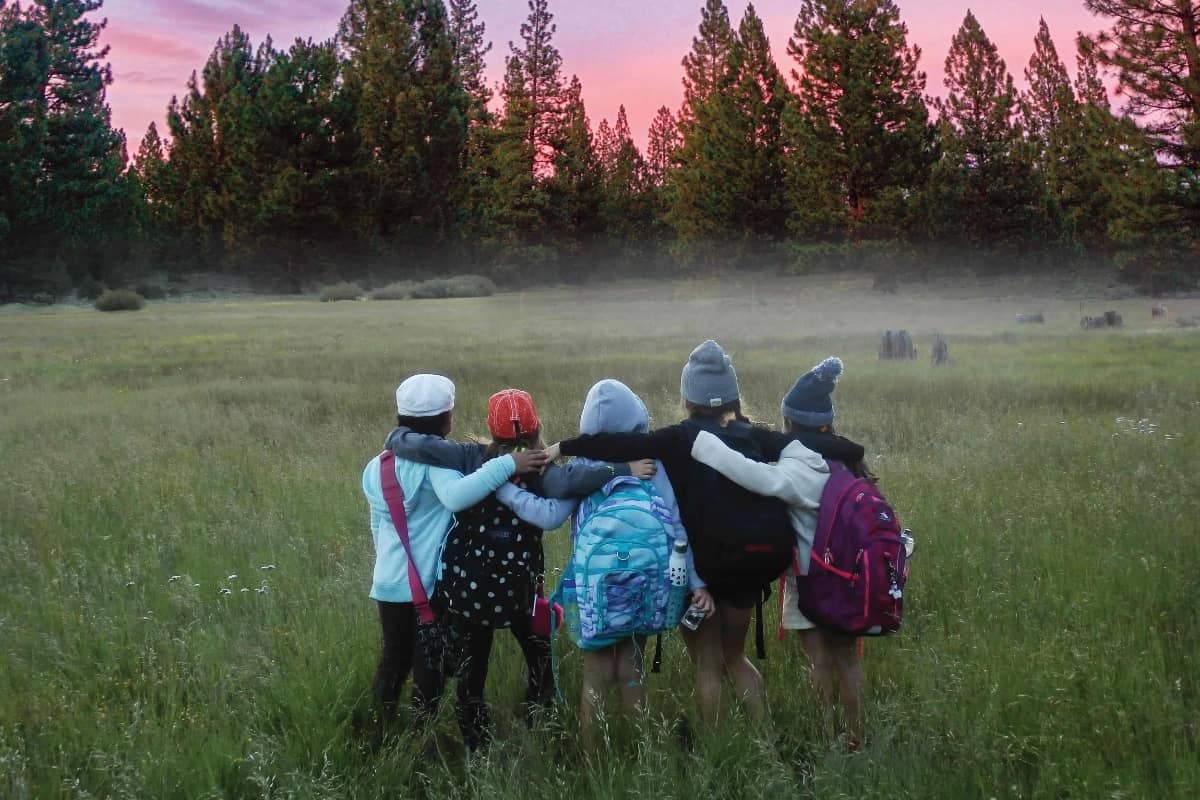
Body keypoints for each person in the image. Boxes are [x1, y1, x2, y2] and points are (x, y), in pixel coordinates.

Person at [546, 341, 864, 724]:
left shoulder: (679, 438)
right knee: (734, 657)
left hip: (698, 569)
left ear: (687, 398)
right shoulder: (756, 436)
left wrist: (562, 446)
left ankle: (714, 749)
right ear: (732, 396)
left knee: (707, 665)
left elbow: (622, 444)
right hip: (750, 567)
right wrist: (851, 448)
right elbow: (814, 443)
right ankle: (762, 743)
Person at [385, 387, 656, 750]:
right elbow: (571, 483)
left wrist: (396, 436)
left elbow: (424, 446)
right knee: (539, 660)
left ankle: (476, 746)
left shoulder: (471, 458)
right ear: (537, 425)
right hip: (521, 589)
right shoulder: (542, 468)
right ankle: (539, 720)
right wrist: (622, 468)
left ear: (489, 426)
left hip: (470, 589)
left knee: (472, 672)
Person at [689, 356, 870, 748]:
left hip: (812, 580)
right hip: (852, 580)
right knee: (849, 663)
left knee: (819, 662)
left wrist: (707, 447)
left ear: (791, 424)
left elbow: (760, 479)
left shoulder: (800, 465)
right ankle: (856, 738)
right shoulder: (849, 463)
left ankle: (824, 736)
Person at [361, 374, 549, 742]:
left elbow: (377, 523)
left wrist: (385, 564)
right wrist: (508, 464)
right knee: (428, 670)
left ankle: (379, 733)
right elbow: (457, 498)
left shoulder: (377, 465)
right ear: (446, 417)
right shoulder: (438, 466)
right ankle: (420, 739)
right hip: (429, 585)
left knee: (393, 662)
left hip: (388, 581)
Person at [568, 379, 712, 748]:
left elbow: (553, 513)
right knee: (632, 668)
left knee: (595, 673)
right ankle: (641, 754)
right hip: (645, 578)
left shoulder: (582, 465)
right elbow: (673, 523)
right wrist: (694, 581)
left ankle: (593, 759)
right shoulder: (651, 462)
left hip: (596, 585)